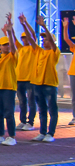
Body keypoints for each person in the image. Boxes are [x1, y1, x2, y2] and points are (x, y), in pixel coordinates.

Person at [19, 14, 60, 142]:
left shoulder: (54, 52)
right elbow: (31, 39)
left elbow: (52, 43)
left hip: (49, 84)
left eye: (46, 39)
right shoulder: (39, 51)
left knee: (52, 109)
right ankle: (42, 132)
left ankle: (50, 133)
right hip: (37, 84)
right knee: (42, 110)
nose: (43, 41)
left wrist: (44, 27)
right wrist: (23, 24)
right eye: (43, 39)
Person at [0, 17, 18, 145]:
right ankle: (0, 135)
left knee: (9, 113)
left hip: (8, 88)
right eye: (4, 44)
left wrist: (10, 32)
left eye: (8, 44)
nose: (7, 46)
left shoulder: (12, 56)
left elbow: (13, 46)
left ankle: (11, 136)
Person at [61, 17, 75, 127]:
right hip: (73, 73)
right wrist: (65, 27)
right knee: (74, 97)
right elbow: (66, 39)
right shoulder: (74, 47)